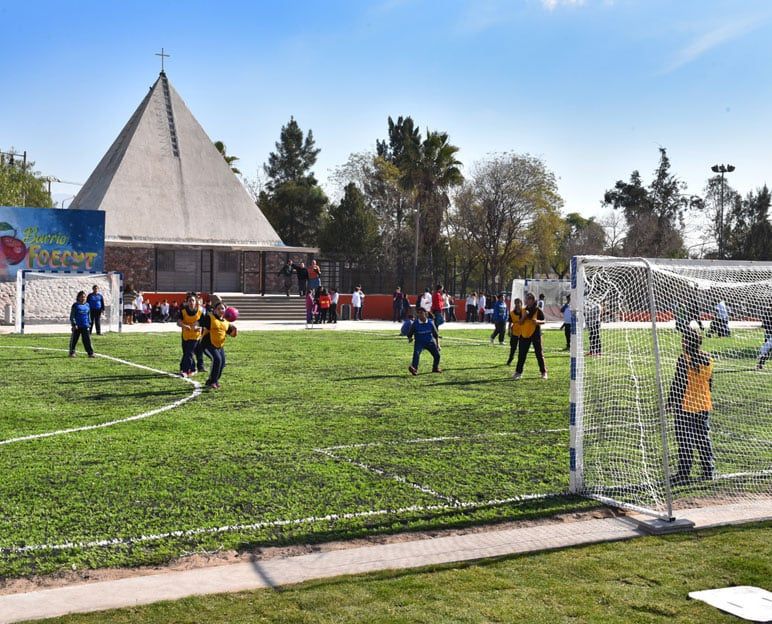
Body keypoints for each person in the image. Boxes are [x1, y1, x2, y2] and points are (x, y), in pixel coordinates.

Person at [666, 328, 715, 484]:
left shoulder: (684, 359)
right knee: (703, 439)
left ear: (687, 342)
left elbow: (678, 383)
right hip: (704, 404)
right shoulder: (709, 358)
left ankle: (683, 473)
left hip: (686, 405)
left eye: (683, 340)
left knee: (685, 439)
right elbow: (710, 383)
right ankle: (709, 470)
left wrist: (670, 402)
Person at [198, 298, 238, 390]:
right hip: (207, 345)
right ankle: (211, 382)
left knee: (222, 363)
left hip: (219, 346)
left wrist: (235, 330)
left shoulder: (226, 322)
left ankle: (214, 380)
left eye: (222, 308)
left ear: (225, 310)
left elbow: (232, 335)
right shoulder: (210, 318)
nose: (221, 310)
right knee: (217, 360)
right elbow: (202, 326)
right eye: (218, 308)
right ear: (215, 310)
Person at [512, 292, 547, 380]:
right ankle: (518, 372)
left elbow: (544, 321)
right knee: (522, 354)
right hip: (524, 334)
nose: (528, 300)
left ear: (533, 300)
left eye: (530, 299)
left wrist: (537, 322)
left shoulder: (538, 310)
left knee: (539, 354)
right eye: (527, 299)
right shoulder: (523, 310)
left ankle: (543, 372)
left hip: (536, 334)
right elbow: (520, 322)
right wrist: (524, 317)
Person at [177, 292, 206, 377]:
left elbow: (204, 322)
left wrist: (199, 327)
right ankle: (192, 368)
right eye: (189, 301)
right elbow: (178, 322)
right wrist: (184, 325)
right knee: (186, 352)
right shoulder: (183, 311)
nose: (191, 302)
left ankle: (185, 371)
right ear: (187, 302)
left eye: (193, 300)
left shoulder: (200, 311)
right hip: (185, 336)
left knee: (189, 352)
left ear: (196, 301)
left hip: (195, 336)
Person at [407, 307, 442, 375]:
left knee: (437, 355)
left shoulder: (430, 323)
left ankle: (435, 368)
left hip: (430, 342)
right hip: (419, 343)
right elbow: (409, 334)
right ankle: (414, 369)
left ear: (425, 313)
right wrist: (410, 338)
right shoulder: (415, 323)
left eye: (421, 313)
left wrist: (438, 345)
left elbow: (436, 336)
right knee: (416, 354)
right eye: (418, 313)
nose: (420, 315)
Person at [69, 290, 95, 358]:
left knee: (87, 340)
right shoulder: (75, 305)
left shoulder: (87, 305)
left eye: (84, 297)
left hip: (85, 325)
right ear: (78, 297)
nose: (83, 298)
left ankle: (90, 353)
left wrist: (89, 323)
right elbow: (72, 316)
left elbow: (88, 315)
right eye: (81, 297)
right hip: (77, 326)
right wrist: (74, 324)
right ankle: (72, 352)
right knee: (74, 340)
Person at [506, 298, 523, 366]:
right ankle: (510, 359)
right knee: (513, 347)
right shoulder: (512, 313)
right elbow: (510, 323)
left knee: (522, 349)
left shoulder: (524, 312)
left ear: (521, 303)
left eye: (519, 303)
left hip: (523, 333)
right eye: (516, 303)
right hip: (515, 332)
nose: (517, 304)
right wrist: (509, 330)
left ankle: (520, 361)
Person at [757, 303, 772, 370]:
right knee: (767, 350)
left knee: (766, 350)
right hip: (769, 333)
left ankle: (760, 364)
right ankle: (760, 364)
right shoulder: (768, 312)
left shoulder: (767, 311)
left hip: (768, 333)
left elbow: (764, 324)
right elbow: (764, 324)